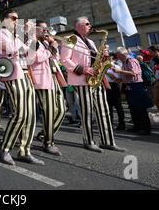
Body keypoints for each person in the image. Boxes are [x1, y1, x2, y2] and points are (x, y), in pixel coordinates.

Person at [60, 17, 125, 153]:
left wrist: (104, 56)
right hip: (82, 80)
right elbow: (64, 60)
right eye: (87, 24)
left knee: (104, 111)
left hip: (96, 80)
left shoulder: (90, 41)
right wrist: (82, 69)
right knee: (87, 111)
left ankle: (107, 141)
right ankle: (89, 141)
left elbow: (96, 60)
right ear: (78, 26)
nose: (91, 26)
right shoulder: (70, 38)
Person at [0, 10, 44, 165]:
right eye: (14, 18)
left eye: (18, 19)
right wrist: (27, 35)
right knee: (20, 114)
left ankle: (25, 150)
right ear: (4, 20)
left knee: (31, 116)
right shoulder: (0, 33)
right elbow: (12, 50)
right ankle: (5, 148)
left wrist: (33, 39)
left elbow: (30, 57)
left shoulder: (18, 36)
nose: (17, 21)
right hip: (13, 75)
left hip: (26, 74)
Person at [29, 21, 67, 155]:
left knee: (62, 110)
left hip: (53, 76)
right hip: (42, 79)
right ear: (35, 29)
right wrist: (51, 48)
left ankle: (45, 133)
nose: (46, 31)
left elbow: (55, 59)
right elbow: (35, 58)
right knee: (49, 111)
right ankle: (48, 142)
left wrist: (53, 47)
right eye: (44, 29)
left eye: (47, 29)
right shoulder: (31, 41)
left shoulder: (45, 43)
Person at [114, 47, 153, 135]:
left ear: (122, 54)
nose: (116, 56)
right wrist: (119, 79)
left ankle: (146, 129)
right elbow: (127, 75)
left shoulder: (131, 61)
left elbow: (133, 73)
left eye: (117, 55)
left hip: (136, 86)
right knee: (133, 108)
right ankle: (137, 126)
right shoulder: (124, 62)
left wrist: (120, 71)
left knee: (140, 108)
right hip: (129, 86)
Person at [105, 52, 125, 130]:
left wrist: (113, 77)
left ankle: (122, 124)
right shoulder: (104, 68)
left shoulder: (117, 67)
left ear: (114, 59)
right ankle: (110, 123)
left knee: (118, 106)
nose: (108, 60)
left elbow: (120, 80)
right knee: (108, 107)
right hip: (106, 86)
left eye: (110, 58)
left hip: (114, 86)